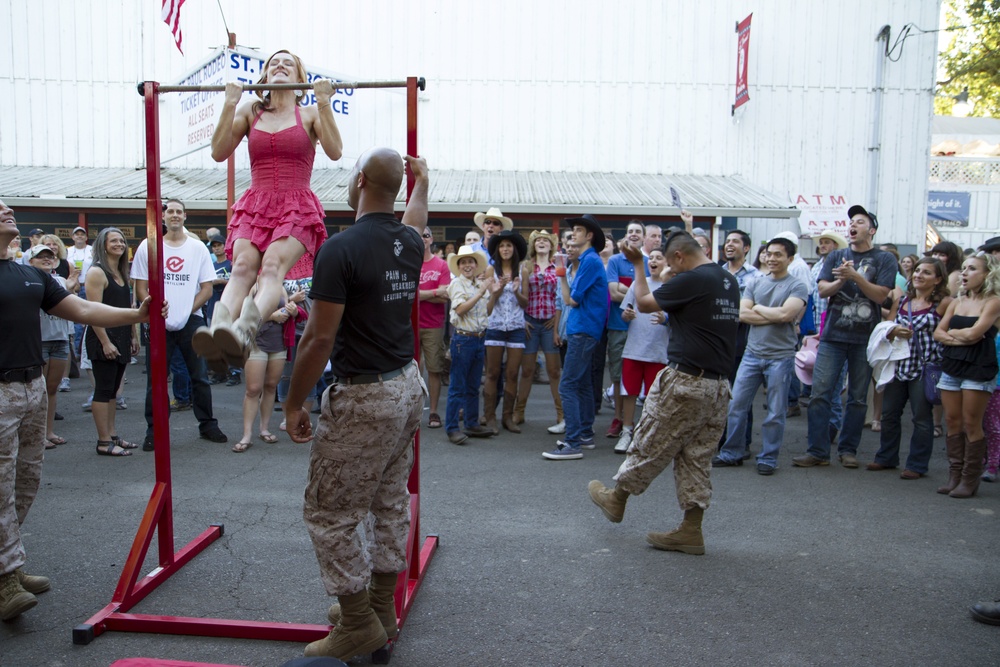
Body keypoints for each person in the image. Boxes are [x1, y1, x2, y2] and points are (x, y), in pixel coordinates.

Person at [283, 150, 428, 661]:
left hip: (365, 396)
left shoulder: (340, 249)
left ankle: (358, 622)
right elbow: (414, 218)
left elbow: (318, 339)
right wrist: (423, 183)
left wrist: (292, 402)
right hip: (407, 385)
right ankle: (382, 605)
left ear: (360, 180)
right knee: (388, 498)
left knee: (330, 511)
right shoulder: (409, 241)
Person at [0, 199, 164, 620]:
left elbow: (84, 309)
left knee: (25, 480)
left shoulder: (30, 275)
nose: (7, 212)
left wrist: (138, 314)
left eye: (7, 208)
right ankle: (5, 579)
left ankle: (8, 565)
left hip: (32, 387)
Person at [588, 231, 740, 555]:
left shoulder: (695, 279)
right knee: (697, 457)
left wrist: (639, 265)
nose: (671, 271)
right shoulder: (727, 280)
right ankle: (691, 529)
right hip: (718, 386)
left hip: (688, 381)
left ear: (680, 257)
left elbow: (644, 303)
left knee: (651, 441)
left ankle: (617, 499)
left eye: (672, 264)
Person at [196, 49, 343, 367]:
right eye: (273, 63)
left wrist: (324, 103)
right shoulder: (251, 111)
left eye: (288, 63)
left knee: (273, 266)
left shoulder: (309, 115)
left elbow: (335, 151)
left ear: (299, 78)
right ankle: (218, 330)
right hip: (257, 203)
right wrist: (229, 103)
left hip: (296, 205)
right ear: (264, 76)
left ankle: (244, 332)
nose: (280, 66)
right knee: (243, 268)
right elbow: (219, 152)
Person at [792, 205, 896, 468]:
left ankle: (848, 450)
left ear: (871, 230)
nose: (853, 225)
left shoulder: (884, 260)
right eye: (851, 221)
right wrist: (841, 281)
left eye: (860, 222)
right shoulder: (837, 255)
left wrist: (855, 276)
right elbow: (823, 290)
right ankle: (817, 451)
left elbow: (881, 296)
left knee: (858, 397)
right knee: (820, 394)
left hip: (865, 338)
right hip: (833, 336)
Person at [132, 199, 228, 451]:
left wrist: (186, 310)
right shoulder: (148, 246)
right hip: (158, 321)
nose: (174, 215)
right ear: (163, 217)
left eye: (178, 211)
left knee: (199, 377)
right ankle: (155, 430)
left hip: (192, 321)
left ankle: (208, 425)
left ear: (185, 216)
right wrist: (153, 307)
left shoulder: (197, 249)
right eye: (169, 211)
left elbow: (207, 289)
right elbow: (140, 287)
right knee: (156, 380)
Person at [712, 237, 808, 474]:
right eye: (769, 254)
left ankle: (768, 458)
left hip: (781, 357)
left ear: (790, 259)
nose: (772, 258)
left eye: (778, 254)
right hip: (752, 354)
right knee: (736, 405)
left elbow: (787, 315)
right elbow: (742, 314)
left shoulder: (797, 285)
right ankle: (731, 452)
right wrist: (772, 314)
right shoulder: (755, 282)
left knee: (775, 412)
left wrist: (759, 309)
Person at [866, 257, 951, 479]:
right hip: (898, 365)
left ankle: (917, 464)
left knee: (921, 418)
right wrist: (894, 332)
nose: (919, 275)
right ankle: (886, 457)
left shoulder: (944, 303)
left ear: (938, 279)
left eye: (926, 272)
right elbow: (888, 326)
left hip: (925, 367)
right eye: (917, 270)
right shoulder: (903, 300)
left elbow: (945, 333)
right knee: (889, 414)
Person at [933, 252, 1000, 498]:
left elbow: (975, 334)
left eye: (972, 269)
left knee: (972, 422)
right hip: (952, 365)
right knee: (952, 421)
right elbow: (938, 333)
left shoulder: (993, 301)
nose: (964, 273)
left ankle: (969, 480)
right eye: (963, 268)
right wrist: (961, 338)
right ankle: (955, 476)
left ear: (987, 274)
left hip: (979, 366)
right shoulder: (956, 301)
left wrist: (954, 336)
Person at [544, 215, 608, 460]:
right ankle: (584, 435)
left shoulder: (589, 261)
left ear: (589, 236)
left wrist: (561, 275)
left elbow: (572, 299)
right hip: (586, 329)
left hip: (583, 330)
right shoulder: (589, 260)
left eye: (578, 231)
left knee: (568, 385)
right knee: (581, 384)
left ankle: (572, 443)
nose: (573, 235)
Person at [84, 228, 139, 456]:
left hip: (122, 336)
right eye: (113, 240)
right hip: (103, 338)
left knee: (114, 391)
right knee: (103, 389)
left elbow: (128, 309)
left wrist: (133, 335)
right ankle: (103, 442)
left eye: (122, 240)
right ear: (103, 245)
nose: (119, 244)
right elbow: (92, 312)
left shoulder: (122, 272)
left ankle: (113, 435)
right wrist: (106, 342)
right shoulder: (97, 272)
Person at [614, 248, 670, 454]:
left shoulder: (671, 286)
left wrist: (666, 319)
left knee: (654, 397)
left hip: (658, 351)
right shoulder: (639, 283)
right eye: (651, 258)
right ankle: (627, 432)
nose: (653, 261)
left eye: (658, 258)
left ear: (667, 262)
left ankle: (647, 435)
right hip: (634, 349)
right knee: (629, 393)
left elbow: (678, 317)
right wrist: (627, 315)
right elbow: (624, 313)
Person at [232, 286, 297, 453]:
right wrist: (270, 316)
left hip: (279, 341)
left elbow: (288, 309)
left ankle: (264, 429)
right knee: (253, 389)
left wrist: (293, 310)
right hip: (256, 341)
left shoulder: (280, 286)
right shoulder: (252, 285)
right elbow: (242, 313)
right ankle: (247, 435)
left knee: (270, 386)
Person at [443, 246, 493, 444]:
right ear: (458, 266)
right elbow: (461, 309)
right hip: (463, 340)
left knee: (473, 385)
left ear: (475, 264)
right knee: (458, 386)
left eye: (470, 262)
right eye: (463, 262)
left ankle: (471, 423)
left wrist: (493, 293)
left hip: (478, 337)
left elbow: (486, 312)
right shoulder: (457, 284)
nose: (467, 265)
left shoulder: (475, 285)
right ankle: (452, 428)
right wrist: (481, 292)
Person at [514, 230, 563, 432]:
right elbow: (515, 294)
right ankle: (519, 411)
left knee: (553, 371)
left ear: (551, 245)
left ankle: (561, 413)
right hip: (531, 322)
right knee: (527, 370)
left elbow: (561, 296)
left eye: (546, 241)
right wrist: (521, 319)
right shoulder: (524, 266)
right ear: (533, 245)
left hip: (550, 323)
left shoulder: (559, 266)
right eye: (538, 241)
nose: (542, 243)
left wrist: (557, 323)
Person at [25, 245, 73, 448]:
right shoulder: (26, 281)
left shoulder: (60, 281)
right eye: (40, 257)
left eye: (49, 257)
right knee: (39, 390)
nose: (46, 259)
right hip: (40, 341)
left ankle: (49, 431)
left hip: (59, 339)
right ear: (31, 261)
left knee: (52, 389)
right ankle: (36, 435)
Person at [604, 221, 649, 439]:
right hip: (618, 326)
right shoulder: (614, 261)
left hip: (644, 329)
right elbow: (613, 293)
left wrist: (626, 288)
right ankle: (619, 418)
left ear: (643, 237)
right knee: (617, 375)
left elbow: (655, 294)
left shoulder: (650, 262)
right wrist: (639, 296)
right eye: (630, 231)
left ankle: (641, 424)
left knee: (645, 377)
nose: (633, 235)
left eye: (637, 232)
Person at [484, 230, 528, 434]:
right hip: (495, 326)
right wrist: (499, 288)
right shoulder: (491, 270)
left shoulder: (523, 271)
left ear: (515, 249)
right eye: (502, 246)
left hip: (517, 327)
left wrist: (517, 290)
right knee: (492, 373)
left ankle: (507, 417)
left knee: (512, 374)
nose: (505, 249)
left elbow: (526, 303)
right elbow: (489, 307)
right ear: (497, 250)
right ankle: (490, 417)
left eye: (509, 245)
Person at [417, 227, 450, 429]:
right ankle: (412, 411)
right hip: (409, 324)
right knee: (411, 370)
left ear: (431, 239)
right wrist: (435, 292)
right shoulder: (407, 264)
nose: (422, 239)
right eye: (418, 235)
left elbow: (447, 295)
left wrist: (422, 294)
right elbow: (409, 296)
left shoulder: (441, 265)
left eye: (426, 235)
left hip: (433, 325)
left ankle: (434, 412)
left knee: (434, 369)